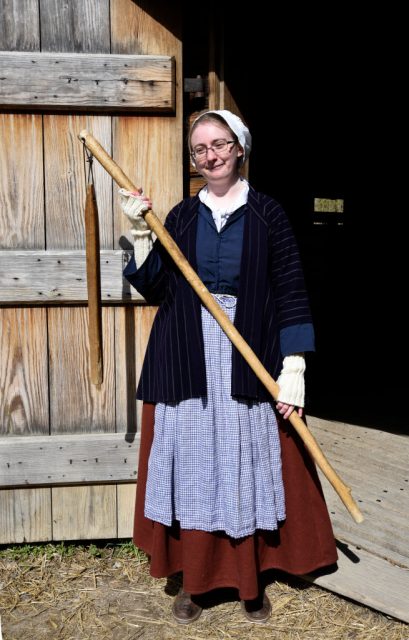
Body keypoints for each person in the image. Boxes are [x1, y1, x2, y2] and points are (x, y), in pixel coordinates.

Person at [119, 110, 337, 625]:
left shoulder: (267, 214)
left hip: (247, 354)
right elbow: (155, 287)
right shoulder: (180, 217)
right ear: (194, 159)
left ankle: (248, 579)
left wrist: (294, 365)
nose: (210, 155)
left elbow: (289, 290)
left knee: (242, 462)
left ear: (239, 149)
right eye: (200, 149)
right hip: (187, 353)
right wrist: (141, 233)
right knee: (195, 465)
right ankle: (194, 582)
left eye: (219, 144)